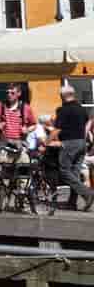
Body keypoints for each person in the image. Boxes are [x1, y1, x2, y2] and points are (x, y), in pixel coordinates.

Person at [56, 83, 93, 212]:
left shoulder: (63, 109)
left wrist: (46, 142)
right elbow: (89, 121)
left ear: (62, 96)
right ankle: (72, 203)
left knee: (64, 171)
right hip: (82, 143)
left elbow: (57, 129)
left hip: (70, 143)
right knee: (75, 173)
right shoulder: (81, 108)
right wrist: (84, 134)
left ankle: (87, 193)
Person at [0, 83, 36, 152]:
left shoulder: (25, 107)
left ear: (19, 93)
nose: (9, 95)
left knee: (22, 162)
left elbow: (34, 124)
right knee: (2, 162)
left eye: (12, 93)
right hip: (3, 144)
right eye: (7, 92)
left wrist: (27, 130)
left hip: (20, 143)